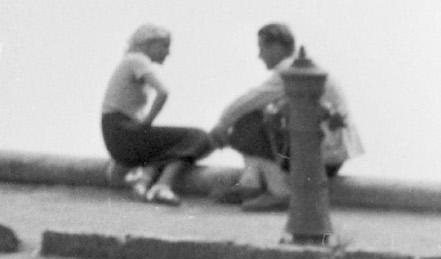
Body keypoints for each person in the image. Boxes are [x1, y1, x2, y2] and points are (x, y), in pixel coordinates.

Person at [209, 23, 362, 212]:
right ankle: (250, 184)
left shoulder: (290, 69)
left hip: (319, 157)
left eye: (261, 48)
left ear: (276, 47)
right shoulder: (303, 65)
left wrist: (222, 124)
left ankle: (279, 192)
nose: (259, 55)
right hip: (332, 154)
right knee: (257, 118)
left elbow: (251, 99)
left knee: (247, 125)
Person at [100, 24, 213, 206]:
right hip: (123, 133)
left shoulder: (129, 61)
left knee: (174, 145)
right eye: (164, 46)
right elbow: (163, 92)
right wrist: (147, 123)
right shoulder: (137, 59)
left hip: (116, 134)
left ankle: (145, 180)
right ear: (148, 44)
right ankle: (163, 185)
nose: (168, 52)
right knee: (199, 137)